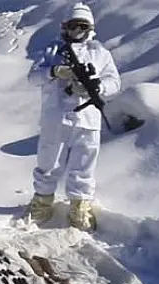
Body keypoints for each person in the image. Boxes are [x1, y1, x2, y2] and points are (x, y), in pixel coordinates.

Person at [24, 3, 120, 231]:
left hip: (87, 118)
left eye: (82, 26)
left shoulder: (100, 53)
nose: (77, 30)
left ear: (90, 28)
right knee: (48, 162)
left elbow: (114, 82)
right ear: (64, 27)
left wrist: (97, 86)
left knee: (84, 164)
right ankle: (42, 202)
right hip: (55, 117)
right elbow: (32, 77)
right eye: (72, 25)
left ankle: (80, 205)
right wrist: (54, 72)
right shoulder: (52, 51)